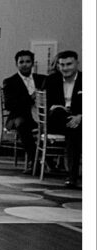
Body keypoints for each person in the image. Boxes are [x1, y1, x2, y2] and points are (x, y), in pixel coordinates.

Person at [1, 49, 45, 172]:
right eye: (21, 62)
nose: (25, 64)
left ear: (32, 63)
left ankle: (52, 160)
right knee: (22, 124)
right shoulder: (10, 81)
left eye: (28, 61)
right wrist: (30, 99)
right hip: (18, 115)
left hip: (40, 115)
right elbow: (9, 105)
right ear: (17, 64)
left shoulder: (42, 79)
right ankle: (34, 160)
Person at [44, 49, 82, 188]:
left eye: (69, 64)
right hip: (57, 120)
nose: (65, 68)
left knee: (75, 130)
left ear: (77, 63)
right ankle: (72, 175)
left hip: (79, 119)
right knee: (63, 117)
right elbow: (46, 104)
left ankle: (72, 176)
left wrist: (80, 116)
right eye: (62, 65)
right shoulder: (52, 80)